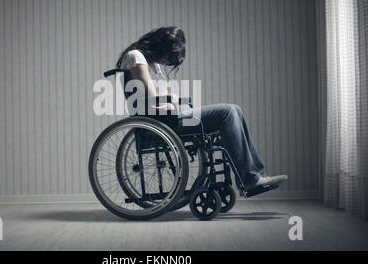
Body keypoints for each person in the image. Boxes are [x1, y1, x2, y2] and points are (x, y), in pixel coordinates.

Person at [116, 26, 288, 191]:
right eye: (168, 56)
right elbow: (153, 97)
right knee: (227, 112)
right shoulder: (135, 56)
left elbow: (168, 96)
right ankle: (251, 178)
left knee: (235, 109)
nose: (167, 61)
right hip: (161, 121)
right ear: (160, 46)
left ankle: (254, 176)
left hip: (169, 114)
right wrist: (170, 101)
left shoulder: (153, 63)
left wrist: (171, 100)